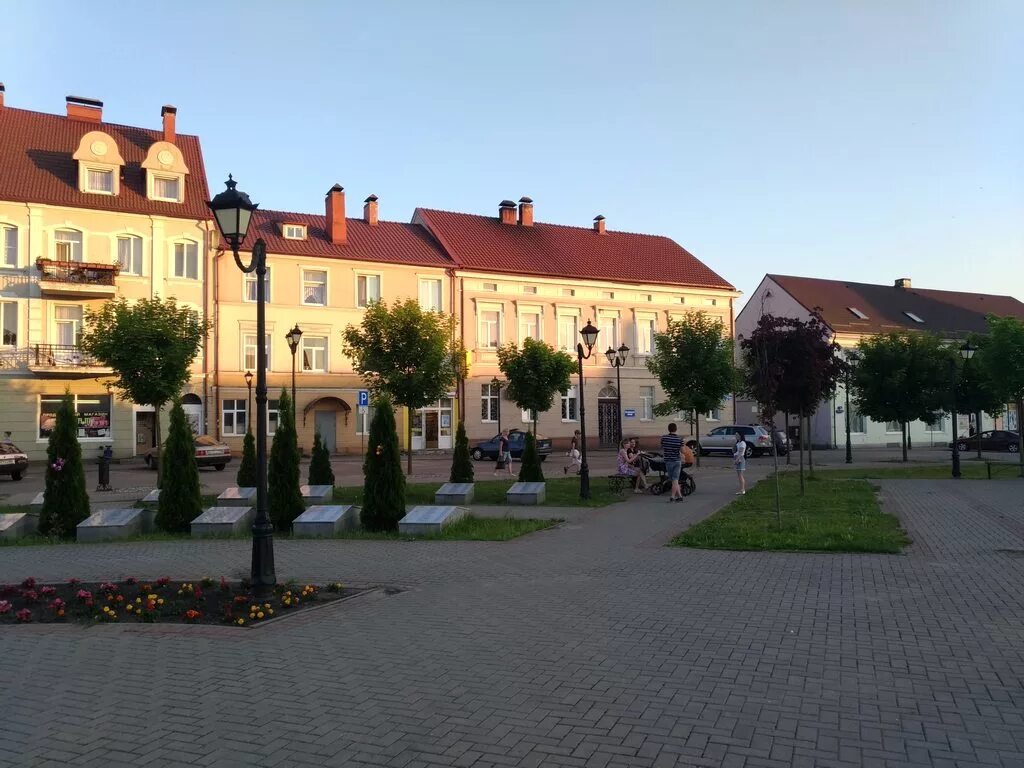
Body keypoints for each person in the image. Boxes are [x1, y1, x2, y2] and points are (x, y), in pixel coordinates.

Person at [660, 423, 684, 502]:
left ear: (668, 429)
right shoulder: (680, 439)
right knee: (675, 479)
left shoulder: (664, 438)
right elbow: (682, 451)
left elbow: (662, 447)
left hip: (668, 461)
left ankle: (673, 497)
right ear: (676, 429)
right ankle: (680, 496)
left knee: (674, 479)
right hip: (677, 460)